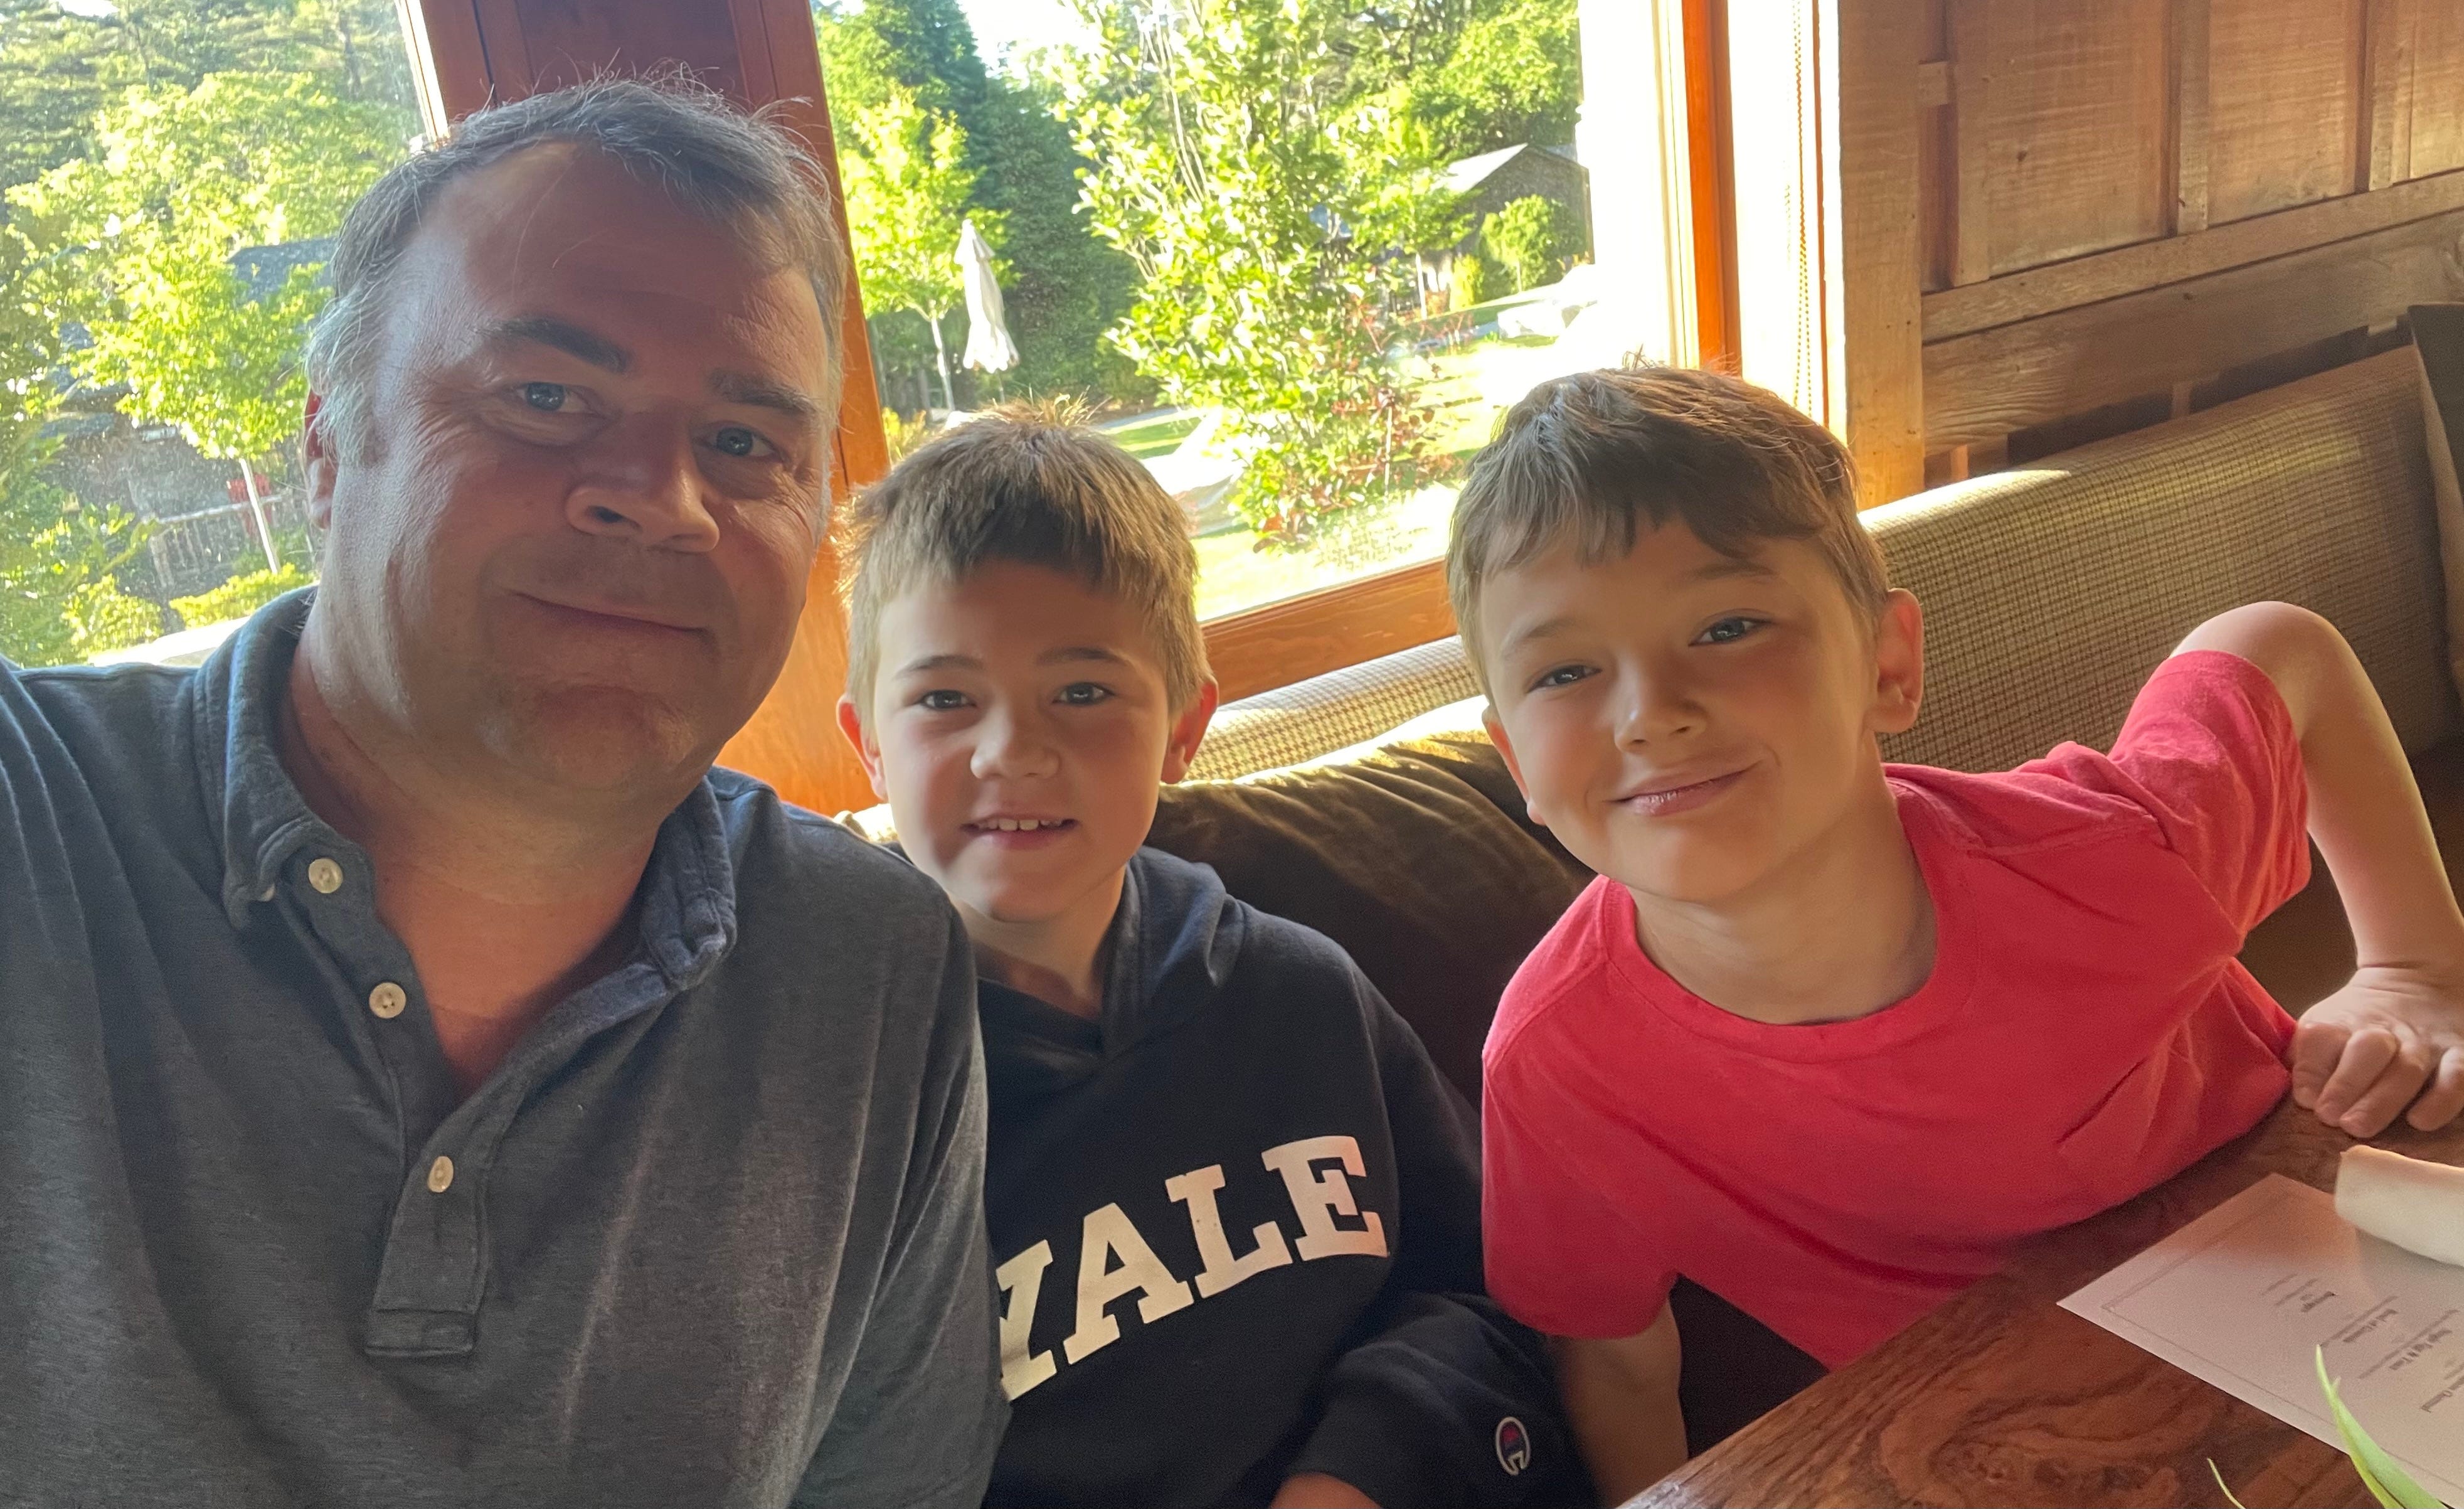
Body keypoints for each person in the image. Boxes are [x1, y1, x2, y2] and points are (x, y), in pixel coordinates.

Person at [0, 78, 1006, 1506]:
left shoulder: (869, 965)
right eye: (545, 398)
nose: (663, 496)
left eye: (745, 444)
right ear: (327, 452)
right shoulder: (36, 826)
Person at [1449, 366, 2464, 1499]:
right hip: (1994, 1447)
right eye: (1566, 670)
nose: (1650, 713)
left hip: (2350, 1317)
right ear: (1515, 760)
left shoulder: (2108, 859)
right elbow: (1617, 1366)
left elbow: (2278, 642)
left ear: (1888, 664)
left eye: (1728, 626)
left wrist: (2415, 965)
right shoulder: (1554, 1067)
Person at [834, 411, 1586, 1509]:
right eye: (944, 699)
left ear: (1184, 728)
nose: (1012, 751)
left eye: (1082, 692)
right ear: (868, 741)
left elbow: (1493, 1297)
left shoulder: (1302, 995)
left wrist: (1356, 1473)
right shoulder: (843, 1104)